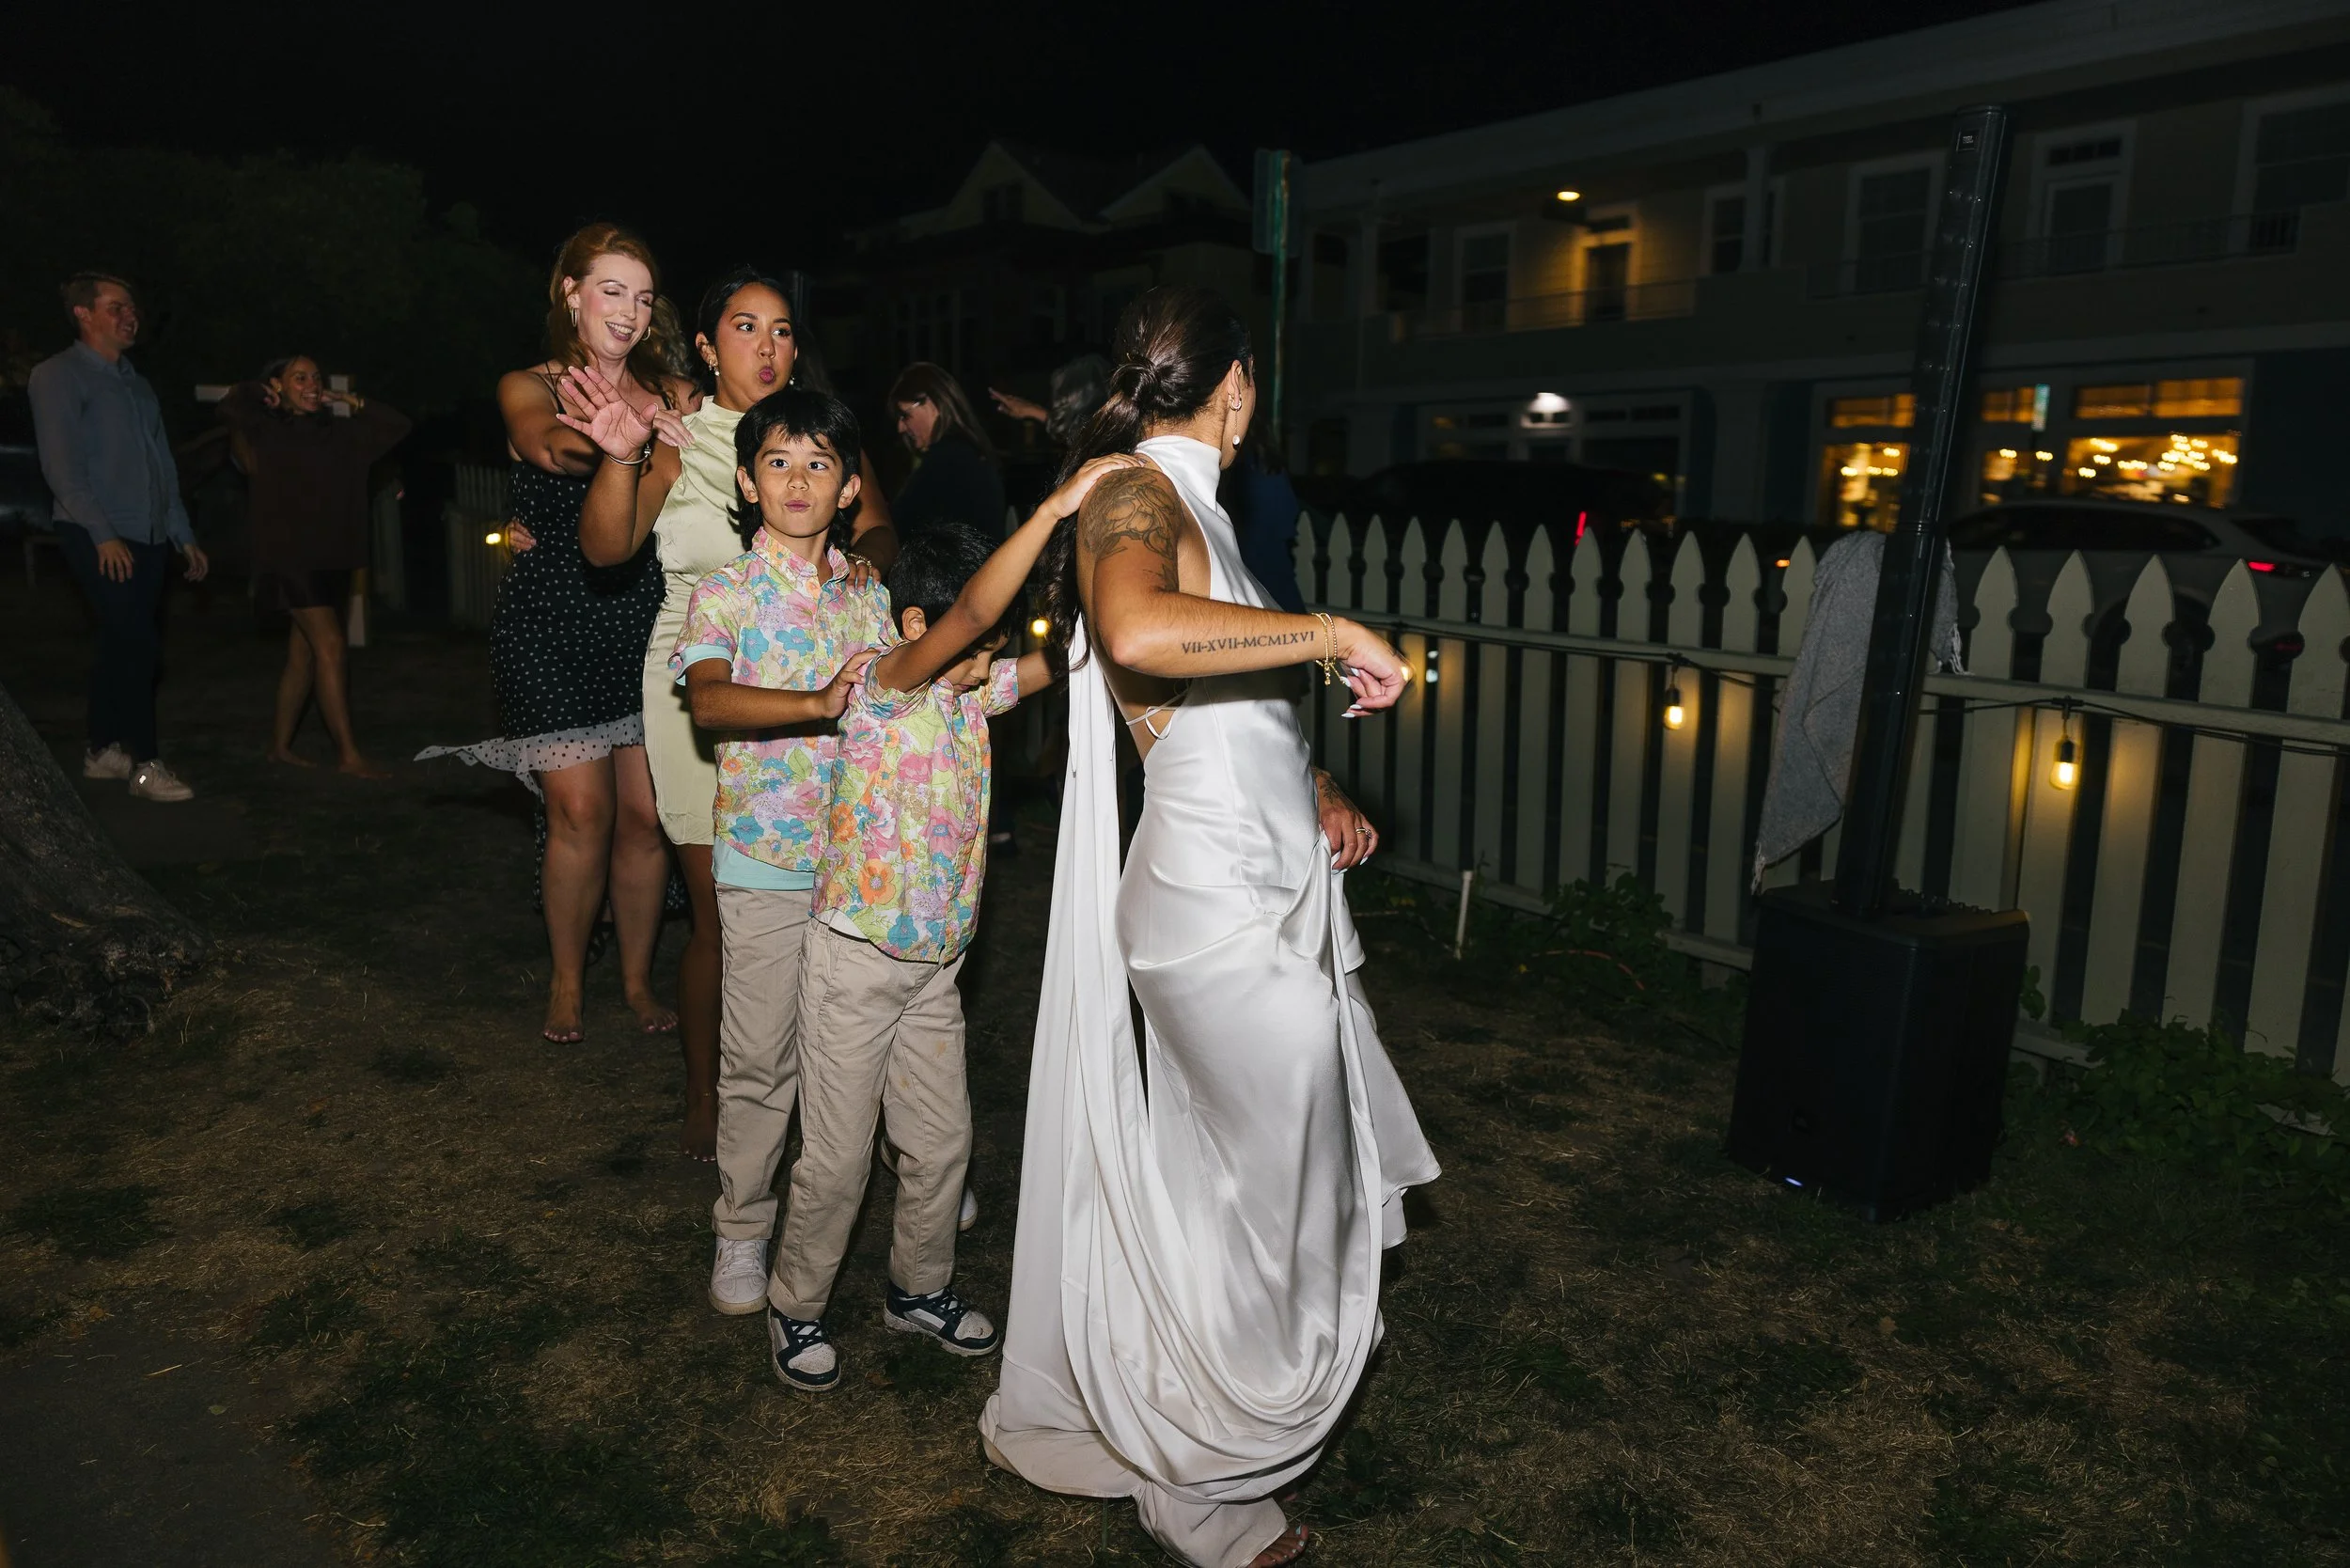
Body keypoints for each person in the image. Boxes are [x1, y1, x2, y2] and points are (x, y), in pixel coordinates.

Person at [979, 287, 1438, 1568]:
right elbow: (1136, 632)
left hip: (1257, 884)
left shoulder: (1198, 509)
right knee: (1280, 1202)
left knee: (1236, 1191)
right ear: (1238, 384)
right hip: (1213, 909)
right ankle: (1205, 1480)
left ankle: (1176, 1420)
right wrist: (1331, 631)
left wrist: (1315, 780)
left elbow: (1213, 695)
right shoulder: (1137, 493)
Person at [762, 461, 1127, 1391]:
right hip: (852, 963)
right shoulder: (885, 688)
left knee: (940, 1143)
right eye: (974, 645)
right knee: (838, 1160)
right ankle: (795, 1305)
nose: (987, 660)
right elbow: (968, 624)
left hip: (931, 971)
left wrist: (1107, 615)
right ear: (919, 627)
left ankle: (915, 1289)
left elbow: (1052, 663)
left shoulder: (970, 696)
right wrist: (1048, 509)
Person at [563, 267, 900, 1161]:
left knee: (828, 904)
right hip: (697, 688)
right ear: (709, 347)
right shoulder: (679, 434)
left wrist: (863, 564)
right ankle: (713, 1093)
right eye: (746, 328)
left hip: (822, 688)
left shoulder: (818, 435)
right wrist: (621, 452)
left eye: (784, 330)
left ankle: (829, 1095)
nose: (768, 347)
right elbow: (606, 548)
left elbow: (878, 528)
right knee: (723, 912)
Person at [418, 224, 690, 1043]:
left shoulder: (675, 393)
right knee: (582, 812)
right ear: (570, 292)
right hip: (549, 622)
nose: (630, 312)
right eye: (612, 290)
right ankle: (568, 981)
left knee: (645, 817)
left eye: (643, 298)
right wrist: (619, 445)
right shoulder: (526, 385)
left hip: (647, 620)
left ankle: (638, 982)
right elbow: (549, 445)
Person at [667, 390, 887, 1322]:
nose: (797, 481)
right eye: (778, 461)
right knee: (760, 1062)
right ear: (749, 478)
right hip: (764, 865)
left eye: (819, 463)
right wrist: (814, 704)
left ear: (847, 488)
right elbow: (710, 704)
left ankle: (906, 1183)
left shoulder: (871, 595)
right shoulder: (725, 592)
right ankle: (741, 1229)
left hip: (866, 868)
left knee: (864, 1053)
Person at [27, 272, 211, 802]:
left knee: (120, 641)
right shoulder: (58, 375)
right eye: (116, 307)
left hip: (149, 532)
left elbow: (161, 466)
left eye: (132, 307)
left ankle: (102, 749)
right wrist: (103, 534)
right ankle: (146, 765)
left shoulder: (136, 382)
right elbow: (60, 467)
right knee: (138, 645)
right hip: (95, 532)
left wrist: (182, 533)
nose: (130, 316)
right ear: (83, 314)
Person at [215, 355, 410, 775]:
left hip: (332, 558)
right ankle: (349, 755)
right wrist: (259, 391)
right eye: (298, 377)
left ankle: (279, 747)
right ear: (278, 385)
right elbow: (231, 403)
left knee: (303, 656)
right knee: (331, 646)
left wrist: (349, 399)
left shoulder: (340, 434)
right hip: (289, 558)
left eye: (316, 377)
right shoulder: (264, 431)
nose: (311, 384)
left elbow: (396, 425)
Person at [887, 363, 1005, 538]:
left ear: (932, 404)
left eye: (905, 415)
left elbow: (898, 526)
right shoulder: (966, 451)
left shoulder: (947, 459)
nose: (900, 427)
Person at [1218, 428, 1307, 614]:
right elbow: (1287, 518)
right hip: (1268, 572)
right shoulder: (1266, 468)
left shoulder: (1223, 471)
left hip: (1243, 576)